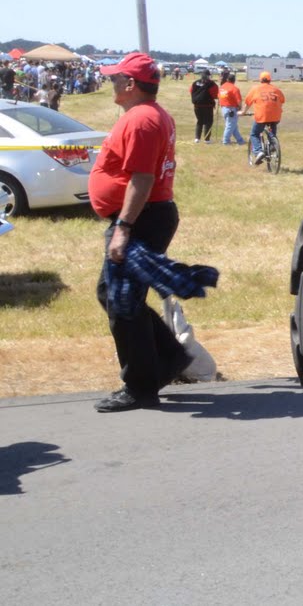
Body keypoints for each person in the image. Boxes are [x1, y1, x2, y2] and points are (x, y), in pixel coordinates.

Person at [88, 52, 189, 412]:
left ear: (131, 84)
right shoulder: (145, 116)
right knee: (116, 296)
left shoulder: (142, 120)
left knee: (121, 300)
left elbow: (143, 178)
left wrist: (124, 227)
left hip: (141, 218)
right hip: (147, 216)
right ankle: (168, 357)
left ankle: (141, 386)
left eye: (115, 78)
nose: (110, 82)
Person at [244, 70, 286, 165]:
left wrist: (243, 112)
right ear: (270, 80)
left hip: (262, 116)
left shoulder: (256, 89)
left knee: (254, 134)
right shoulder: (276, 89)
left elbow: (247, 102)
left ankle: (259, 152)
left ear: (260, 80)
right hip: (275, 116)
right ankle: (272, 145)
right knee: (272, 133)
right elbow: (282, 100)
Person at [189, 67, 219, 143]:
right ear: (209, 76)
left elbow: (191, 91)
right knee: (208, 122)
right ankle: (207, 139)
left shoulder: (195, 83)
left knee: (199, 121)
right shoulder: (211, 84)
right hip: (208, 106)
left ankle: (197, 138)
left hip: (197, 106)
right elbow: (215, 95)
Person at [217, 70, 246, 145]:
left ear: (227, 79)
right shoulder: (234, 89)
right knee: (230, 126)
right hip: (231, 109)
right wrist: (240, 107)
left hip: (224, 108)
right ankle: (226, 141)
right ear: (234, 80)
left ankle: (240, 141)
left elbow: (219, 97)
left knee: (233, 126)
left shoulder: (222, 87)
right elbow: (239, 100)